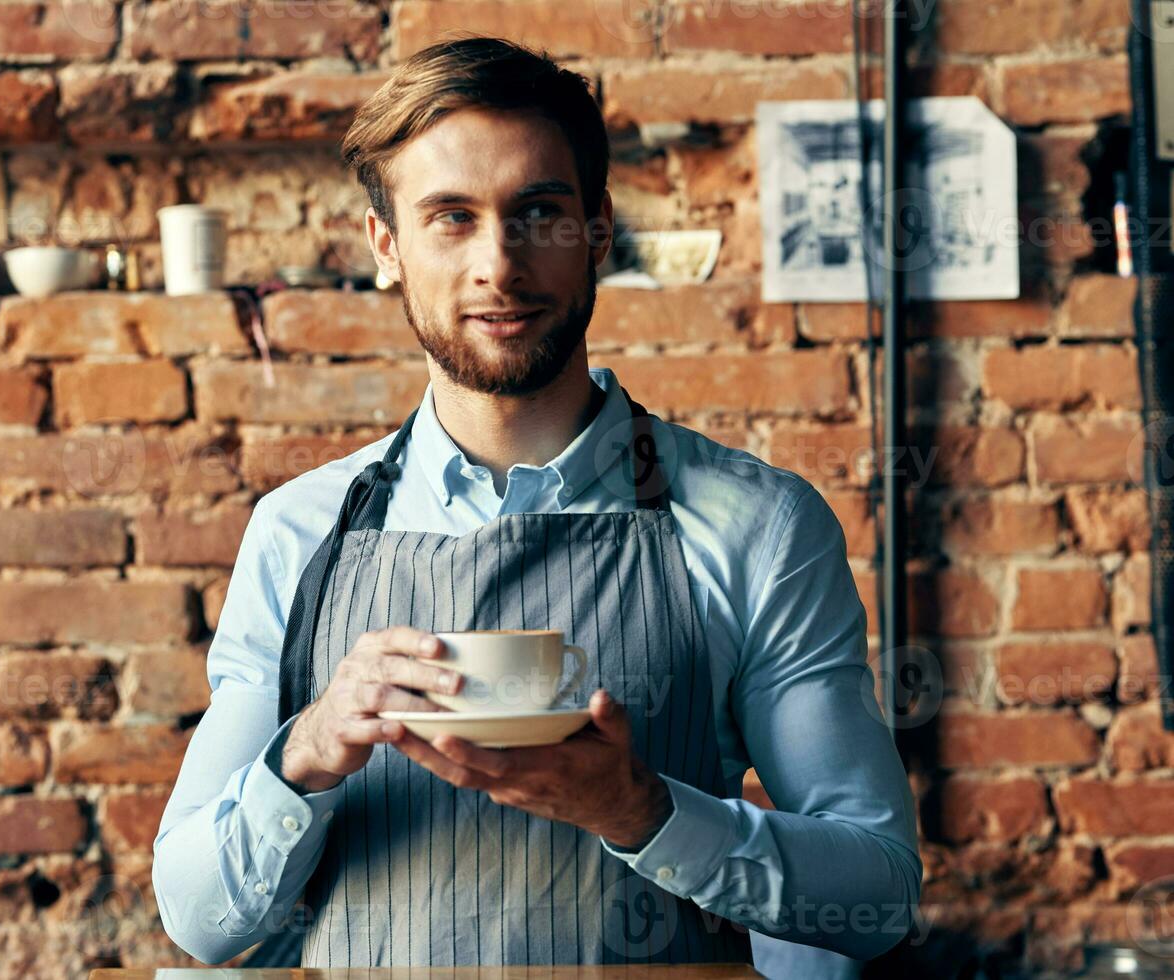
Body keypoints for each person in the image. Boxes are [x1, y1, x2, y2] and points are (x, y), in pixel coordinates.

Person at [152, 36, 921, 976]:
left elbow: (879, 894)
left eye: (538, 212)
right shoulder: (300, 532)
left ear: (597, 230)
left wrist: (642, 810)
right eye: (451, 217)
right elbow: (197, 920)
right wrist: (307, 750)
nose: (499, 264)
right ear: (386, 248)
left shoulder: (760, 526)